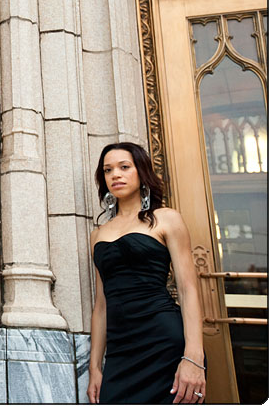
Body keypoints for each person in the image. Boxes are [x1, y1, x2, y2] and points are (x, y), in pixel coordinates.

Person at [87, 142, 206, 404]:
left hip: (163, 341)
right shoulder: (98, 234)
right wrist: (95, 367)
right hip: (120, 350)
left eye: (124, 167)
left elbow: (188, 290)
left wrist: (193, 357)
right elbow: (101, 306)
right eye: (108, 170)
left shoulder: (166, 219)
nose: (115, 175)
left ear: (141, 172)